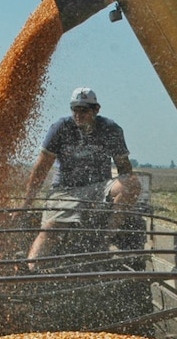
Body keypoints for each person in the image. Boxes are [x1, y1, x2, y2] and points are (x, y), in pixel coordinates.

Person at [22, 87, 140, 267]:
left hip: (98, 188)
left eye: (84, 110)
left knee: (131, 184)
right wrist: (27, 203)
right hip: (65, 191)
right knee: (51, 228)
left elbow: (124, 168)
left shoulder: (110, 129)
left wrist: (128, 198)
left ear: (96, 110)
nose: (78, 114)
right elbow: (41, 168)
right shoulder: (60, 128)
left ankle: (105, 239)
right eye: (74, 109)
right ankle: (32, 268)